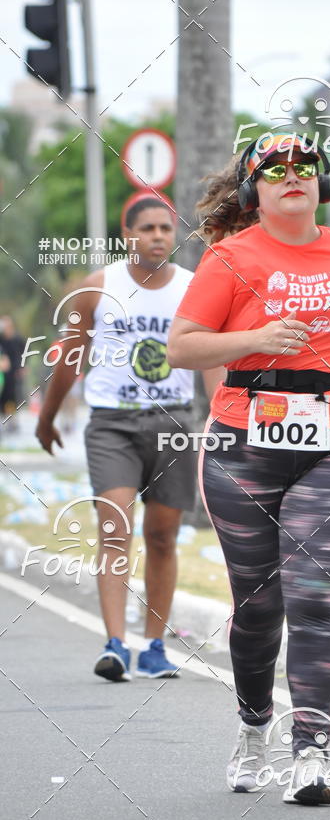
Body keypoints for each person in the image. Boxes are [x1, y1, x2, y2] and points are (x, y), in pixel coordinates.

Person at [167, 135, 330, 804]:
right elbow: (181, 348)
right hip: (244, 445)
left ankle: (311, 751)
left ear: (321, 184)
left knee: (313, 594)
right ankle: (254, 725)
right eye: (274, 170)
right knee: (258, 605)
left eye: (305, 166)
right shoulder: (230, 258)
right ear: (255, 192)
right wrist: (256, 339)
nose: (292, 175)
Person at [36, 196, 222, 682]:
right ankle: (115, 645)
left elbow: (210, 358)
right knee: (115, 528)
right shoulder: (97, 288)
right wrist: (47, 417)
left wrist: (222, 420)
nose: (158, 236)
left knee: (162, 535)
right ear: (127, 235)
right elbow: (70, 358)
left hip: (173, 424)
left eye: (165, 228)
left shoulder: (194, 288)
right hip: (112, 425)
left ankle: (154, 647)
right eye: (147, 228)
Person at [0, 315, 26, 431]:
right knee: (3, 396)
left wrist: (23, 367)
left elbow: (26, 352)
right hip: (3, 372)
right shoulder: (1, 339)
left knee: (13, 397)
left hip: (15, 372)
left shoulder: (18, 339)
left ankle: (12, 421)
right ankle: (4, 419)